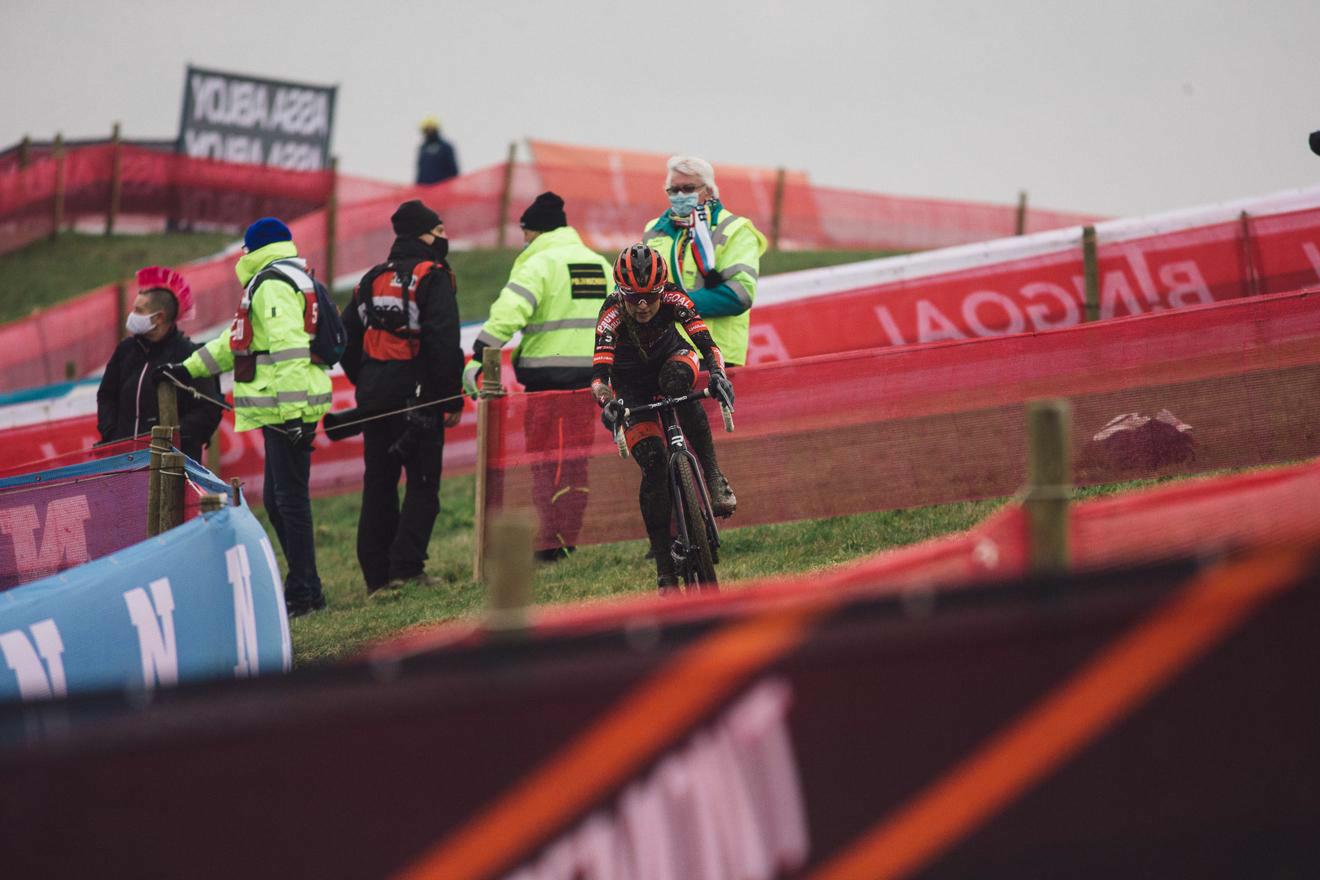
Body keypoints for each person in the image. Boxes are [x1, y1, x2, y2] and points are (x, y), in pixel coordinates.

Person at [154, 218, 333, 618]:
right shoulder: (282, 277)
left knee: (288, 501)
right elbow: (235, 343)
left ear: (253, 249)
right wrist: (187, 369)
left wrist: (292, 416)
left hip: (287, 410)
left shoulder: (270, 283)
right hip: (287, 410)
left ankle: (306, 591)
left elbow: (288, 350)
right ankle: (305, 585)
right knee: (279, 499)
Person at [461, 192, 613, 561]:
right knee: (577, 460)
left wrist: (479, 354)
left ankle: (548, 544)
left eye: (525, 233)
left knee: (543, 460)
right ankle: (568, 537)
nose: (523, 241)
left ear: (535, 231)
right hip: (591, 378)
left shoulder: (538, 263)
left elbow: (509, 313)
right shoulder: (599, 264)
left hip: (545, 380)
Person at [591, 244, 735, 594]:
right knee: (653, 464)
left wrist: (718, 374)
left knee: (677, 385)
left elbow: (707, 343)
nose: (642, 305)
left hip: (672, 358)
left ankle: (713, 476)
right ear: (621, 292)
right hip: (630, 383)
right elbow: (600, 376)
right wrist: (608, 402)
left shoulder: (674, 297)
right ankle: (664, 568)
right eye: (633, 297)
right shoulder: (610, 312)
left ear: (662, 290)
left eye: (650, 297)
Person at [338, 200, 464, 594]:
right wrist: (448, 399)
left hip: (375, 400)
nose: (444, 239)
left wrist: (369, 380)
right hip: (420, 399)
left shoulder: (370, 279)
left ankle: (377, 578)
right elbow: (444, 344)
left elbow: (345, 340)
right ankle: (407, 569)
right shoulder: (434, 275)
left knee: (379, 483)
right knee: (423, 484)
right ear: (422, 235)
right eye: (439, 232)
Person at [641, 156, 767, 368]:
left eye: (688, 188)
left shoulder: (735, 229)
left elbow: (740, 295)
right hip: (661, 354)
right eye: (673, 190)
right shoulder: (654, 229)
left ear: (708, 189)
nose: (680, 195)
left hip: (714, 355)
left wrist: (670, 305)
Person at [97, 266, 222, 462]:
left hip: (172, 466)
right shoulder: (126, 350)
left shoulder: (189, 355)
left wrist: (172, 440)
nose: (132, 315)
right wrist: (112, 435)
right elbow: (106, 395)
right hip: (123, 462)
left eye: (139, 310)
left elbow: (209, 409)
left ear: (159, 317)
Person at [416, 117, 459, 185]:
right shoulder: (423, 148)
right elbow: (420, 170)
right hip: (426, 189)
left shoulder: (446, 147)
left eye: (431, 130)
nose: (429, 132)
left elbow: (453, 168)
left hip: (444, 187)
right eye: (427, 130)